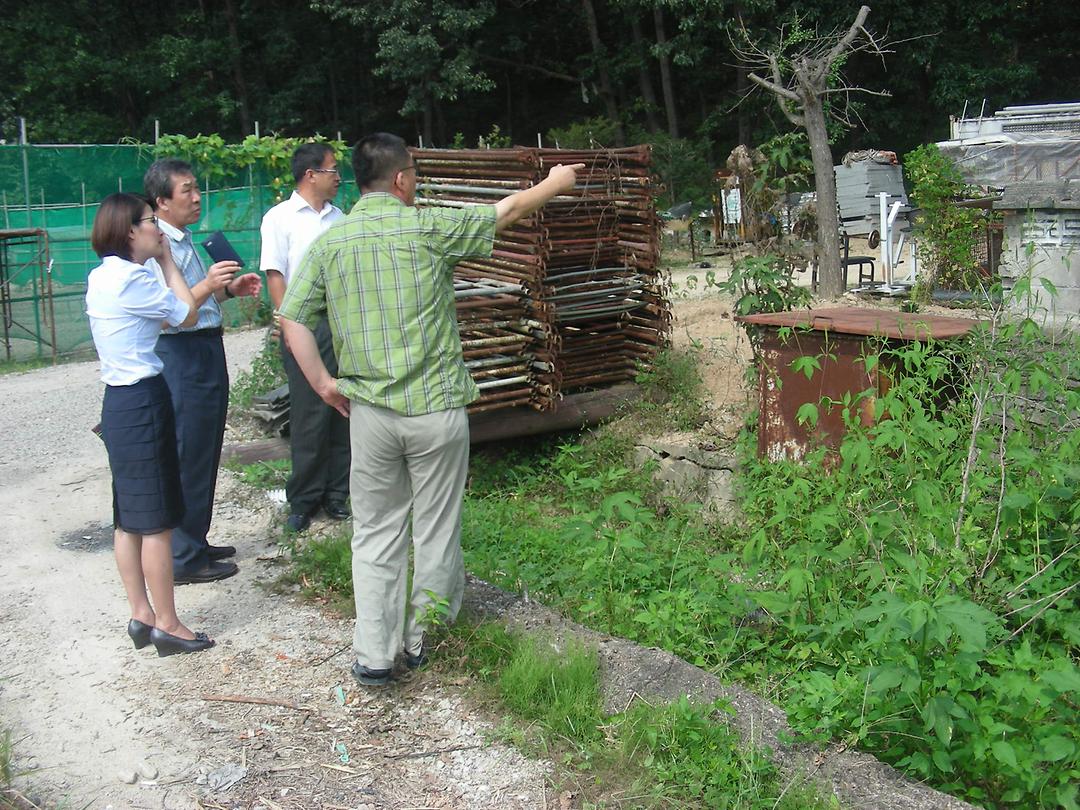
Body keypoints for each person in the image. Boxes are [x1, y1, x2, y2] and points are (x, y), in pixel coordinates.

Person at [279, 133, 582, 685]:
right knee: (436, 528)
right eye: (413, 173)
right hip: (436, 411)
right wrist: (554, 183)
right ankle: (424, 641)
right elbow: (508, 210)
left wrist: (325, 384)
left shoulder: (331, 242)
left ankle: (374, 654)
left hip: (369, 415)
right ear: (400, 180)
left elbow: (293, 318)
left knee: (375, 532)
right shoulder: (430, 228)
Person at [86, 192, 216, 656]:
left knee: (128, 519)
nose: (157, 227)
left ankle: (141, 613)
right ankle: (169, 623)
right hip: (143, 400)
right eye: (148, 221)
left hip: (118, 403)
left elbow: (154, 321)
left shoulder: (104, 275)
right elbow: (185, 314)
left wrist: (155, 263)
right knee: (157, 522)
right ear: (129, 232)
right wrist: (168, 261)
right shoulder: (135, 280)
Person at [143, 159, 263, 584]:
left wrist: (227, 290)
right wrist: (210, 286)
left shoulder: (185, 239)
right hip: (181, 355)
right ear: (161, 202)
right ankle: (182, 557)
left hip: (205, 348)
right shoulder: (155, 248)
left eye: (197, 189)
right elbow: (168, 314)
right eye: (186, 191)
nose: (196, 198)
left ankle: (195, 538)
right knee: (186, 451)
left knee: (205, 448)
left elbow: (197, 306)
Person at [260, 143, 349, 533]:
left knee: (342, 409)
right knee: (309, 413)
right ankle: (304, 499)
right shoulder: (280, 218)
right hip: (303, 324)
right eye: (332, 171)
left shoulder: (340, 218)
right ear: (310, 174)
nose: (337, 178)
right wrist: (286, 322)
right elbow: (275, 274)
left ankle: (337, 493)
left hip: (339, 323)